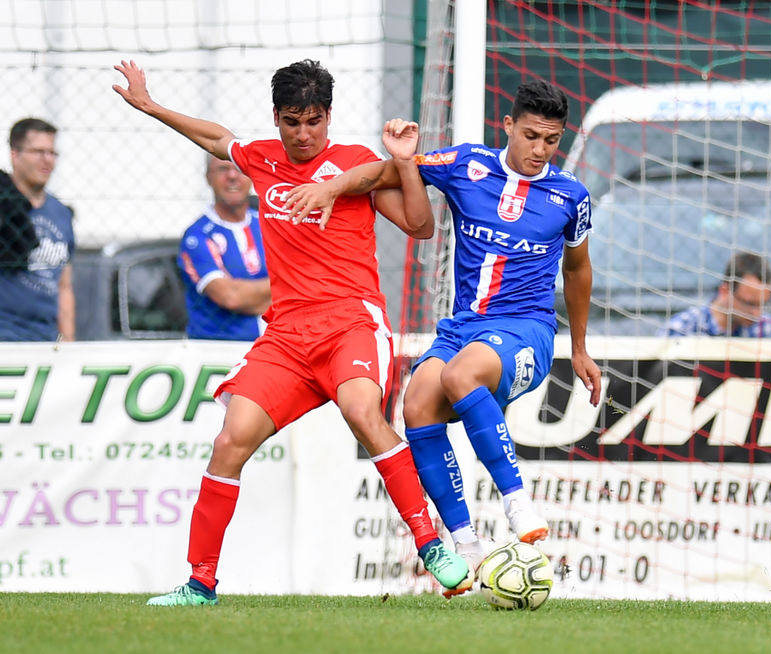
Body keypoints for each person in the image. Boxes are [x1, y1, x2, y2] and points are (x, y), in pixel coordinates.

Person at [112, 58, 470, 606]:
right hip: (286, 337)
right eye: (291, 122)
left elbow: (421, 227)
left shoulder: (355, 164)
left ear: (329, 116)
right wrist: (152, 105)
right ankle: (200, 584)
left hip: (351, 322)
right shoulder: (263, 159)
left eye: (314, 121)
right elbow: (218, 139)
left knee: (361, 412)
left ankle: (431, 546)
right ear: (276, 118)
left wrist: (403, 166)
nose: (303, 135)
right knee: (230, 441)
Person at [284, 78, 602, 593]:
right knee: (416, 406)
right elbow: (383, 174)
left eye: (550, 140)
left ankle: (517, 500)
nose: (539, 150)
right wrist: (341, 183)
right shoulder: (467, 164)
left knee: (460, 374)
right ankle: (466, 543)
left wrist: (581, 348)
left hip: (527, 330)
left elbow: (579, 270)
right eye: (529, 136)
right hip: (462, 328)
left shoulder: (571, 197)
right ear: (507, 126)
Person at [178, 154, 271, 340]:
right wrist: (288, 288)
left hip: (271, 347)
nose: (232, 176)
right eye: (222, 169)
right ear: (208, 177)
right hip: (219, 351)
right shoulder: (197, 237)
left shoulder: (269, 225)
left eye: (239, 168)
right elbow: (231, 297)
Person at [0, 118, 75, 342]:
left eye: (52, 153)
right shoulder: (3, 205)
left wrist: (69, 341)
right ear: (15, 154)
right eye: (38, 151)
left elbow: (64, 285)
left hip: (46, 338)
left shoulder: (61, 213)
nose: (47, 160)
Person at [659, 251, 771, 337]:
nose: (757, 313)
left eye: (763, 305)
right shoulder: (682, 329)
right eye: (749, 304)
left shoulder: (766, 330)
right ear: (725, 291)